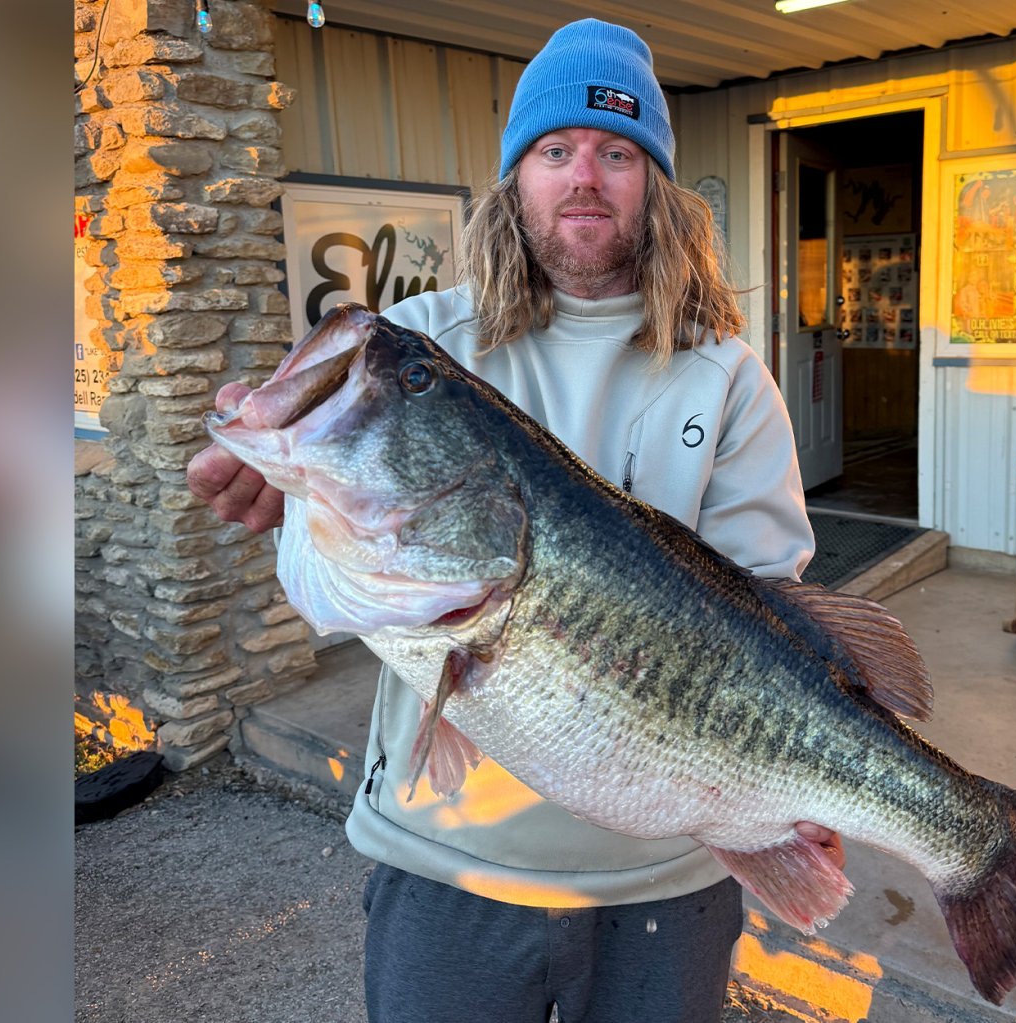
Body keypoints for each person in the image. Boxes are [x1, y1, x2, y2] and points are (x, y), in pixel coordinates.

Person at [188, 19, 841, 1023]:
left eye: (617, 151)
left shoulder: (728, 377)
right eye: (555, 149)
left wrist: (793, 792)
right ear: (515, 179)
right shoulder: (417, 350)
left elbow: (774, 618)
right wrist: (291, 491)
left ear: (654, 185)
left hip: (668, 879)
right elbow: (333, 571)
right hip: (447, 858)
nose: (585, 174)